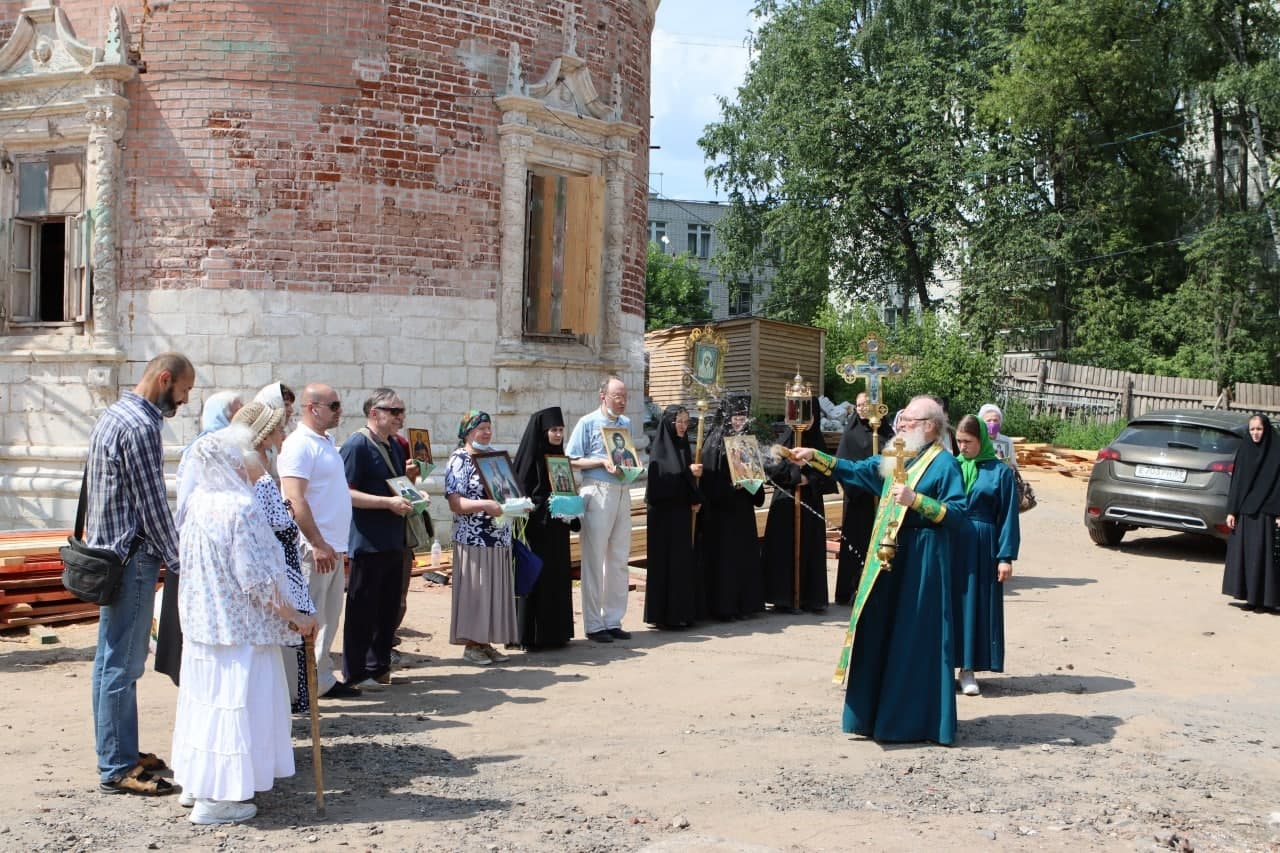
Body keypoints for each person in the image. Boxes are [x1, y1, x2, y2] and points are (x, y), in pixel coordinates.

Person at [791, 395, 968, 745]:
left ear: (930, 427)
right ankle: (871, 715)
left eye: (909, 421)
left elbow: (958, 516)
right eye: (901, 419)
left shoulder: (945, 464)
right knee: (879, 630)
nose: (900, 424)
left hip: (922, 560)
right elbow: (859, 471)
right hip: (887, 559)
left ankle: (911, 721)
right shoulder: (896, 457)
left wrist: (916, 501)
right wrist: (817, 457)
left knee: (912, 637)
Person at [169, 426, 316, 825]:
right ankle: (219, 799)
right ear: (235, 462)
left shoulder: (196, 503)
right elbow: (258, 580)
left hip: (205, 625)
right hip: (240, 630)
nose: (257, 464)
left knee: (206, 705)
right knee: (235, 708)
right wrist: (295, 617)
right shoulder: (240, 507)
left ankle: (200, 785)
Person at [87, 352, 194, 796]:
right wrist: (179, 558)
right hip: (131, 559)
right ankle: (116, 766)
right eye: (183, 391)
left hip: (111, 555)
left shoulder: (115, 415)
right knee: (123, 665)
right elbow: (151, 503)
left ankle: (120, 751)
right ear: (164, 379)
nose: (184, 401)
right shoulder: (141, 426)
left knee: (111, 662)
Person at [231, 402, 315, 712]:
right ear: (263, 435)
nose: (282, 433)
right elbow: (278, 524)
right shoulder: (260, 477)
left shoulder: (244, 470)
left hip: (270, 571)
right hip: (276, 571)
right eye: (277, 428)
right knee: (281, 649)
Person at [277, 384, 358, 698]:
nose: (340, 411)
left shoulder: (326, 442)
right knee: (308, 619)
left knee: (328, 617)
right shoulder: (299, 445)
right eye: (334, 405)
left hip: (333, 546)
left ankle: (320, 680)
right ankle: (300, 686)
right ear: (313, 408)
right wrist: (317, 542)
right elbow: (295, 498)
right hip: (314, 549)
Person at [340, 388, 414, 688]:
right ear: (374, 413)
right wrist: (387, 504)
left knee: (388, 607)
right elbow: (346, 492)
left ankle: (379, 667)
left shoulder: (395, 445)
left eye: (402, 411)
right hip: (368, 540)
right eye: (394, 411)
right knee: (363, 609)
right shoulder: (357, 445)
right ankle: (356, 673)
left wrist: (413, 488)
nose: (400, 417)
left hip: (393, 538)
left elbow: (395, 487)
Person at [952, 414, 1020, 696]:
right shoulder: (951, 467)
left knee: (975, 604)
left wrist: (1005, 556)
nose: (962, 447)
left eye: (968, 442)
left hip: (983, 543)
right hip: (952, 541)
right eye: (958, 441)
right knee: (950, 604)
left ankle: (968, 669)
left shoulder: (1000, 472)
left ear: (982, 441)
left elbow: (1008, 517)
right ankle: (945, 666)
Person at [566, 376, 636, 642]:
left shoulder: (626, 424)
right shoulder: (588, 422)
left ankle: (613, 618)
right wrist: (599, 461)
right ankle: (594, 624)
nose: (622, 402)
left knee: (618, 559)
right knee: (594, 559)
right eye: (617, 396)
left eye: (625, 397)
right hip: (597, 490)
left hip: (621, 490)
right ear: (602, 396)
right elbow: (571, 459)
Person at [447, 410, 517, 664]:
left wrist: (518, 503)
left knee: (492, 591)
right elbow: (455, 503)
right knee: (475, 591)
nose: (487, 432)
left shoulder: (494, 457)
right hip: (473, 537)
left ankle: (485, 642)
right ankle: (472, 645)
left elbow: (507, 491)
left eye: (489, 427)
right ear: (468, 432)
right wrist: (486, 505)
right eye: (481, 428)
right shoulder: (460, 460)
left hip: (498, 536)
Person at [761, 395, 835, 613]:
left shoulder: (817, 443)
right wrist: (795, 476)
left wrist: (809, 480)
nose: (805, 421)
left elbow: (829, 476)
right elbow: (772, 470)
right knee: (783, 548)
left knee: (808, 548)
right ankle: (782, 596)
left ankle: (808, 597)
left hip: (810, 503)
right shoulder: (784, 440)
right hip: (785, 501)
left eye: (809, 416)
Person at [511, 406, 577, 650]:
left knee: (557, 579)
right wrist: (546, 504)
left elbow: (566, 488)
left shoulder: (559, 457)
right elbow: (522, 495)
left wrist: (572, 506)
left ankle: (555, 633)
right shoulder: (530, 460)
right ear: (543, 431)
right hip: (537, 530)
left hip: (558, 531)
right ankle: (530, 636)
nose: (558, 435)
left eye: (561, 430)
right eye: (554, 430)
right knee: (536, 579)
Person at [700, 393, 767, 620]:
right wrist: (731, 489)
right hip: (722, 513)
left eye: (744, 416)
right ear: (727, 416)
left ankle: (745, 604)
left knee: (745, 556)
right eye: (736, 416)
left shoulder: (747, 440)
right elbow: (709, 480)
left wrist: (753, 483)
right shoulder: (714, 441)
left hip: (743, 509)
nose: (740, 420)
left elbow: (755, 473)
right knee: (725, 560)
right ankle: (724, 607)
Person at [643, 406, 705, 629]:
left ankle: (682, 612)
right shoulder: (659, 450)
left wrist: (695, 498)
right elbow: (662, 485)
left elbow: (686, 481)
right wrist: (689, 472)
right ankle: (664, 615)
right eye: (678, 421)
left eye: (686, 421)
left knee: (681, 564)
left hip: (680, 513)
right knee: (665, 564)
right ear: (669, 424)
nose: (682, 426)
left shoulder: (683, 446)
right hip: (663, 517)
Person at [833, 392, 892, 606]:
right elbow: (842, 467)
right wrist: (862, 486)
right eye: (858, 405)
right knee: (856, 544)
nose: (861, 408)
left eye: (866, 404)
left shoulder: (886, 433)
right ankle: (850, 589)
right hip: (858, 500)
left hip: (882, 500)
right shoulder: (851, 435)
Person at [1223, 414, 1280, 612]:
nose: (1255, 433)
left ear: (1266, 429)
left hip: (1267, 512)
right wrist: (1232, 511)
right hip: (1246, 513)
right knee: (1247, 556)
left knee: (1264, 557)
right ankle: (1250, 598)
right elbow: (1237, 482)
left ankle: (1267, 601)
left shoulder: (1276, 450)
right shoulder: (1245, 450)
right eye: (1252, 430)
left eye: (1259, 429)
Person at [978, 403, 1017, 468]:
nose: (992, 423)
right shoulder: (977, 440)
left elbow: (1012, 464)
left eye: (995, 420)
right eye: (988, 420)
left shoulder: (1007, 441)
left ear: (1000, 422)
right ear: (982, 422)